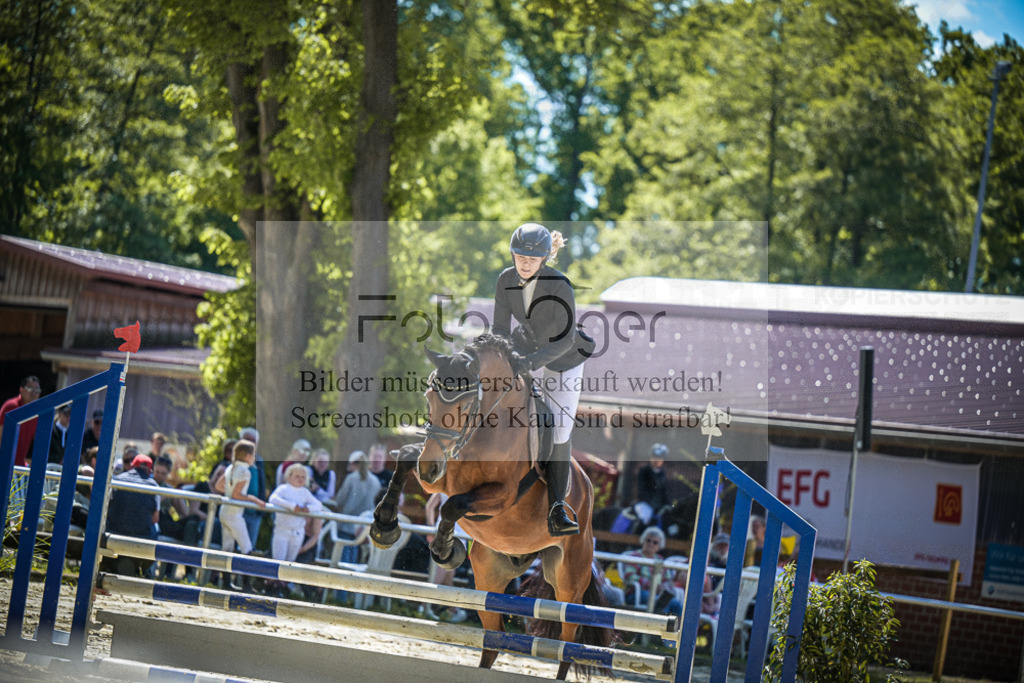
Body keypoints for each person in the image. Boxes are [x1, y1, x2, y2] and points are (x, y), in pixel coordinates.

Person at [492, 223, 595, 536]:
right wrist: (499, 360)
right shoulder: (505, 280)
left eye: (531, 259)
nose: (524, 263)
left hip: (564, 360)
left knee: (559, 428)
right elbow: (499, 329)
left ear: (544, 259)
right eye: (520, 256)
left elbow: (564, 341)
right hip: (529, 348)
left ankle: (556, 509)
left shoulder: (560, 285)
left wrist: (529, 363)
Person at [266, 464, 324, 596]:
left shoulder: (305, 492)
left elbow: (318, 504)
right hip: (282, 530)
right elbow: (273, 499)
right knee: (278, 560)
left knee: (290, 562)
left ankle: (281, 588)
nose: (300, 479)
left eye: (303, 477)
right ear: (289, 476)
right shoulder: (283, 489)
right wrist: (291, 506)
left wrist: (308, 508)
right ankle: (271, 588)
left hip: (297, 532)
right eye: (297, 476)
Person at [218, 439, 267, 590]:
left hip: (225, 511)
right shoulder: (245, 471)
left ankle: (227, 583)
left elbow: (218, 485)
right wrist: (253, 499)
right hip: (234, 514)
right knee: (247, 548)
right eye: (253, 455)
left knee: (227, 548)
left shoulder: (230, 468)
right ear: (247, 456)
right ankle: (246, 585)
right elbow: (236, 495)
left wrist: (229, 491)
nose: (254, 458)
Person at [104, 454, 160, 575]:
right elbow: (155, 519)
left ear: (131, 466)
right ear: (150, 470)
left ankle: (113, 564)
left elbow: (107, 508)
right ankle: (144, 570)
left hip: (114, 533)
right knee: (156, 528)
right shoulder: (154, 486)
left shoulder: (116, 480)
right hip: (142, 538)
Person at [621, 526, 682, 616]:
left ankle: (679, 629)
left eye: (655, 542)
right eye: (648, 540)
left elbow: (669, 580)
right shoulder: (636, 556)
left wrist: (663, 587)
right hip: (638, 593)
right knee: (660, 603)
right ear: (643, 541)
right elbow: (629, 576)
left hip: (657, 594)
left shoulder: (660, 560)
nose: (651, 544)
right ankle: (659, 626)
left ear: (659, 546)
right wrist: (651, 584)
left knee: (677, 605)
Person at [333, 450, 381, 564]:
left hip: (347, 522)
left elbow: (340, 500)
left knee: (344, 552)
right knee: (354, 551)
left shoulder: (351, 478)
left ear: (354, 463)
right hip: (363, 525)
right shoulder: (375, 481)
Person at [0, 375, 42, 468]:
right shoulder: (11, 406)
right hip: (4, 463)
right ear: (21, 390)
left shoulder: (37, 413)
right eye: (30, 388)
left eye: (37, 390)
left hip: (20, 466)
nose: (34, 392)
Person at [238, 427, 268, 552]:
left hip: (254, 512)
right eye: (247, 440)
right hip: (237, 510)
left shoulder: (259, 461)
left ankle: (241, 572)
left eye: (253, 441)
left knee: (249, 548)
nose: (250, 443)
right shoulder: (234, 461)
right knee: (231, 547)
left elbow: (262, 484)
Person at [634, 443, 670, 526]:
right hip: (644, 504)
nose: (656, 460)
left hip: (658, 506)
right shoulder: (644, 471)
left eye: (659, 458)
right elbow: (641, 490)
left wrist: (669, 506)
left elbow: (664, 493)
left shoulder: (663, 473)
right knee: (645, 517)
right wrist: (653, 505)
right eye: (654, 457)